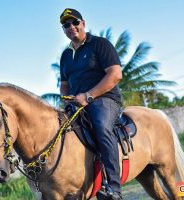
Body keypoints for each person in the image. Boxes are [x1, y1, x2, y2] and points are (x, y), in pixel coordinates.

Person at [59, 8, 123, 200]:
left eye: (74, 22)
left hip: (105, 99)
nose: (71, 27)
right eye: (66, 25)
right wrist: (67, 99)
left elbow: (115, 74)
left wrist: (88, 96)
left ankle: (113, 187)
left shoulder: (100, 44)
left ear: (83, 23)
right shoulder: (65, 56)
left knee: (101, 127)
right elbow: (64, 85)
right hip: (77, 104)